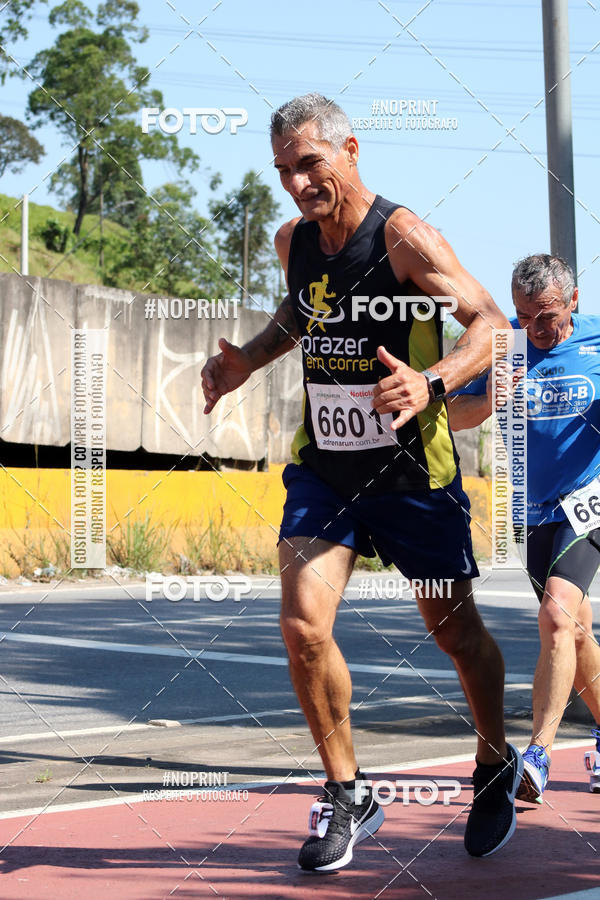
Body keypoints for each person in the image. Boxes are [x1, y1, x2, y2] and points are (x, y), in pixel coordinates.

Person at [201, 92, 523, 870]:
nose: (298, 184)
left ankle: (493, 763)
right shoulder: (294, 241)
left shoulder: (405, 238)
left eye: (310, 163)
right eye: (283, 170)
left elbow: (491, 324)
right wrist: (247, 358)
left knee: (454, 634)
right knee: (303, 623)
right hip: (327, 468)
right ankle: (349, 793)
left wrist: (433, 382)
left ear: (350, 150)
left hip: (414, 470)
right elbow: (298, 316)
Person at [449, 253, 600, 802]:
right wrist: (491, 398)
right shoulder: (502, 344)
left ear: (574, 302)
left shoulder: (597, 341)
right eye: (523, 315)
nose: (535, 329)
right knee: (572, 630)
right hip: (530, 510)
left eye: (547, 315)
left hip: (588, 501)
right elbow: (446, 414)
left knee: (556, 614)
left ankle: (536, 755)